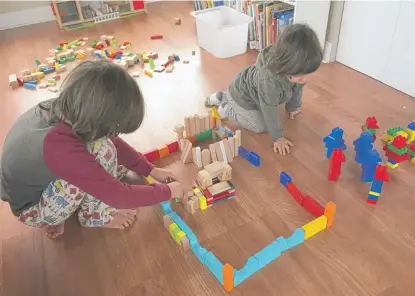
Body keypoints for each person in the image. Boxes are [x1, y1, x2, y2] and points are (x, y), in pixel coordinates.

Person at [0, 60, 184, 239]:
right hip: (32, 210)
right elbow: (117, 195)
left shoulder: (73, 108)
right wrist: (167, 192)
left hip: (40, 186)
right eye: (114, 128)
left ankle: (65, 208)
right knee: (105, 153)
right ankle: (94, 216)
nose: (114, 133)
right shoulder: (59, 146)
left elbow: (111, 140)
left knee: (104, 149)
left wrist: (150, 169)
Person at [205, 24, 323, 155]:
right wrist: (277, 137)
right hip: (242, 98)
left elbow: (297, 88)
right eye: (300, 76)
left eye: (307, 74)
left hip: (252, 92)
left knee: (272, 111)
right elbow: (269, 107)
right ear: (286, 67)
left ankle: (224, 96)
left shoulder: (297, 69)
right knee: (261, 126)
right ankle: (226, 106)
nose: (304, 79)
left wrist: (293, 107)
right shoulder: (268, 81)